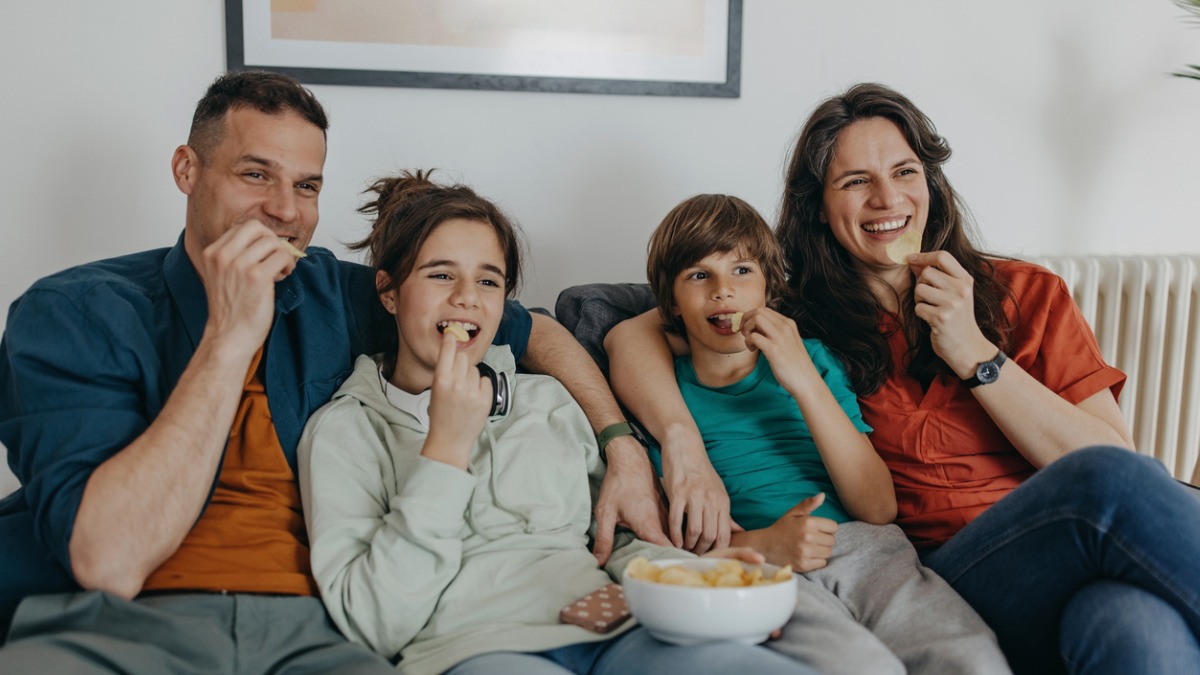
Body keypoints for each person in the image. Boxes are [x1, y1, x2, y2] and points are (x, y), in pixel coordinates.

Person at [0, 71, 667, 670]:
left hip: (318, 632)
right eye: (255, 174)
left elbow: (536, 331)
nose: (286, 210)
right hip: (122, 623)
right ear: (187, 169)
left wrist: (621, 445)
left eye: (308, 185)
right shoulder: (75, 312)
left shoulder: (336, 293)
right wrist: (231, 336)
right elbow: (107, 558)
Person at [605, 83, 1200, 674]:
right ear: (818, 205)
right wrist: (679, 440)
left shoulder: (1027, 291)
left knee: (1136, 627)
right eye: (856, 181)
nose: (887, 199)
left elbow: (1111, 461)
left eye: (906, 171)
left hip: (1058, 552)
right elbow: (629, 330)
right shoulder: (797, 323)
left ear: (931, 185)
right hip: (934, 574)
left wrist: (976, 354)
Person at [298, 170, 817, 675]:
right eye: (440, 275)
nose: (467, 297)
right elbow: (376, 621)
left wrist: (702, 584)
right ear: (388, 292)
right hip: (477, 647)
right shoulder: (345, 431)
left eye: (488, 280)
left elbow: (625, 539)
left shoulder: (545, 399)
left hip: (613, 630)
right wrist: (446, 450)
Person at [637, 192, 1008, 674]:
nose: (723, 291)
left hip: (867, 551)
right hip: (763, 566)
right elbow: (674, 540)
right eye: (699, 275)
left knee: (971, 660)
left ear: (770, 287)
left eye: (742, 271)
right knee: (858, 667)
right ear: (670, 301)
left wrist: (803, 380)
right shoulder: (663, 396)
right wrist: (765, 543)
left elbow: (878, 508)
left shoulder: (812, 360)